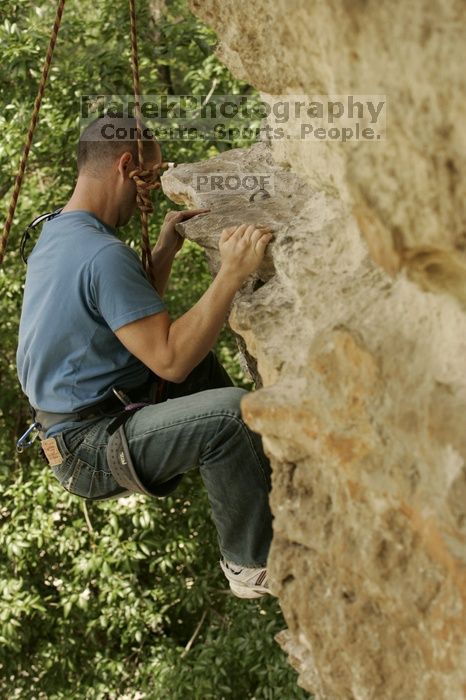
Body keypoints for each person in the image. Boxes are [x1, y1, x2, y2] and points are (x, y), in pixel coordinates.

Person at [16, 117, 275, 599]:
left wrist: (163, 252)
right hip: (88, 445)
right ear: (125, 164)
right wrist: (233, 273)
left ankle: (269, 468)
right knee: (229, 415)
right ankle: (251, 564)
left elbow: (122, 319)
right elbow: (169, 362)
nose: (152, 190)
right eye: (150, 177)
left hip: (75, 426)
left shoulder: (59, 233)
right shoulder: (101, 253)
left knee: (199, 363)